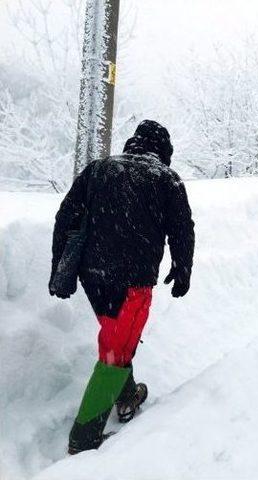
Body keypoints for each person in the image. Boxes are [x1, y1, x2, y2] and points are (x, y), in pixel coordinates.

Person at [49, 120, 195, 454]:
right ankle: (83, 438)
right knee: (116, 352)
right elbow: (182, 228)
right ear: (163, 151)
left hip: (93, 276)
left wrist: (60, 266)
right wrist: (182, 267)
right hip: (132, 282)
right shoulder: (165, 178)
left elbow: (66, 216)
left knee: (117, 337)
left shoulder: (99, 169)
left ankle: (127, 397)